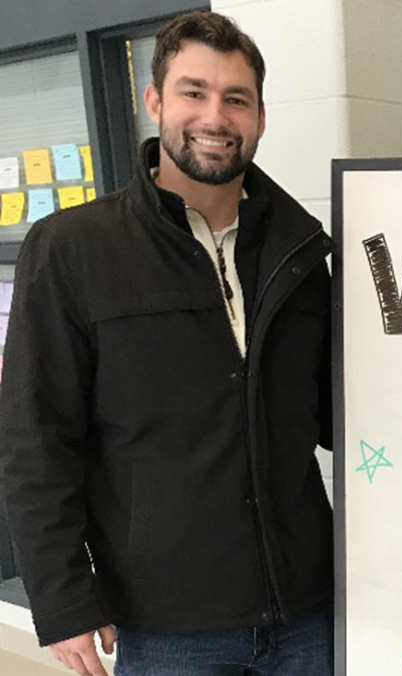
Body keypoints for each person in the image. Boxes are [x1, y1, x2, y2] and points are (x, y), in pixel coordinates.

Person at [0, 11, 334, 676]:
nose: (215, 116)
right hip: (167, 623)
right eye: (193, 92)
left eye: (235, 99)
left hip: (308, 610)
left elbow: (335, 414)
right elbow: (35, 439)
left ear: (260, 118)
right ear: (154, 102)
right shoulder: (73, 250)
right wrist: (62, 599)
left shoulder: (299, 250)